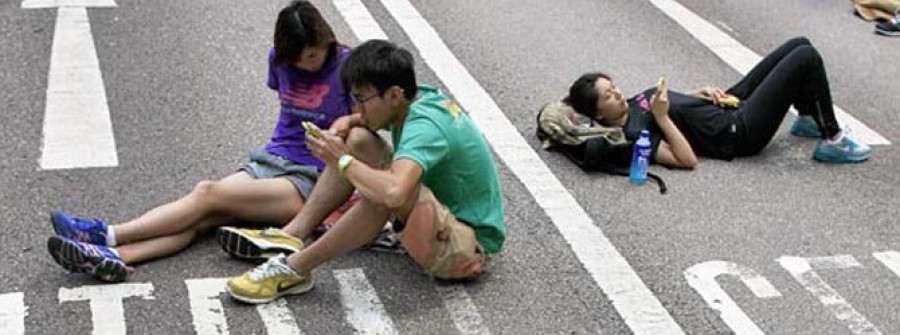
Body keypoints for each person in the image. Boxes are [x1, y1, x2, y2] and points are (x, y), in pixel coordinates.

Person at [46, 0, 352, 282]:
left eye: (312, 55)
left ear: (325, 39)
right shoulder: (280, 59)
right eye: (297, 59)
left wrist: (344, 125)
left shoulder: (348, 66)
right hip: (270, 160)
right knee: (203, 217)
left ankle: (104, 234)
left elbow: (370, 120)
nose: (305, 65)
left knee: (207, 194)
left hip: (309, 179)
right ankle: (113, 257)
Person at [216, 39, 506, 304]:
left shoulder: (424, 129)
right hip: (446, 221)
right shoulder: (419, 99)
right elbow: (370, 128)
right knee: (357, 140)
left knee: (384, 193)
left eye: (361, 99)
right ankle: (293, 234)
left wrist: (342, 161)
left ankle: (293, 270)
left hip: (465, 248)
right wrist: (350, 120)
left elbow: (394, 192)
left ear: (393, 94)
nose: (357, 106)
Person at [563, 37, 871, 169]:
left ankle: (807, 118)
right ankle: (834, 139)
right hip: (739, 131)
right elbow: (686, 160)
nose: (618, 94)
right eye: (609, 96)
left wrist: (699, 94)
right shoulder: (634, 133)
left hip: (724, 106)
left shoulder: (632, 104)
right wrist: (663, 118)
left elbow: (678, 108)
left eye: (613, 87)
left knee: (799, 44)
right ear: (599, 114)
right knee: (806, 59)